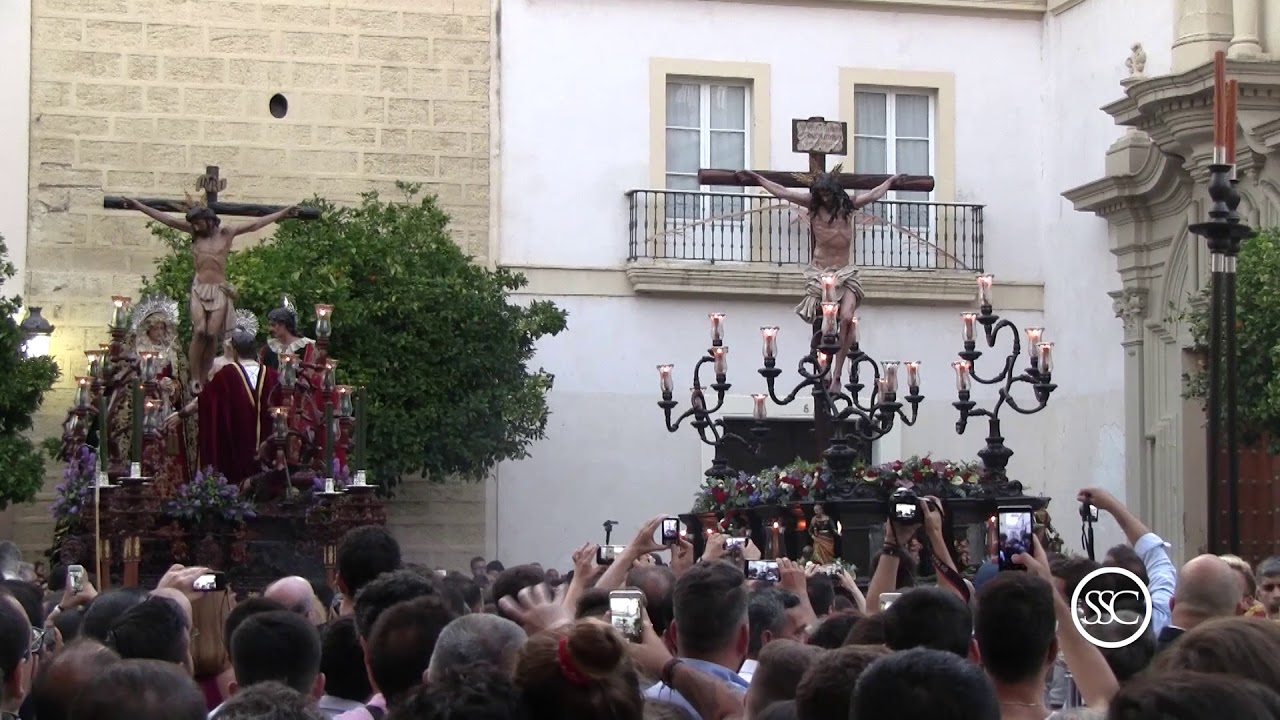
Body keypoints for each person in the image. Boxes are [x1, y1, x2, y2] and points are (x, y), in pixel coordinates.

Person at [742, 168, 902, 392]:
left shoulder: (848, 206)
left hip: (845, 273)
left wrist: (890, 181)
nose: (824, 198)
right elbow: (783, 192)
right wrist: (757, 179)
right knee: (827, 323)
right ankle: (823, 367)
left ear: (834, 191)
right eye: (821, 194)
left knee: (847, 318)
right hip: (821, 273)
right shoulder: (813, 206)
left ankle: (837, 375)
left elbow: (873, 194)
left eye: (827, 194)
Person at [122, 198, 300, 393]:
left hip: (219, 289)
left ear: (210, 221)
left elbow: (255, 224)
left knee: (211, 334)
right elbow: (169, 220)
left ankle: (205, 376)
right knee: (200, 330)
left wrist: (283, 212)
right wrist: (139, 206)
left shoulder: (226, 233)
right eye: (194, 225)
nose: (196, 227)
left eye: (199, 223)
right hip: (199, 287)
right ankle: (195, 376)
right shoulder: (195, 234)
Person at [186, 330, 280, 487]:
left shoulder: (226, 375)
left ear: (235, 351)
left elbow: (204, 401)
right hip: (268, 448)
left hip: (236, 450)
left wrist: (181, 414)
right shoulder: (273, 376)